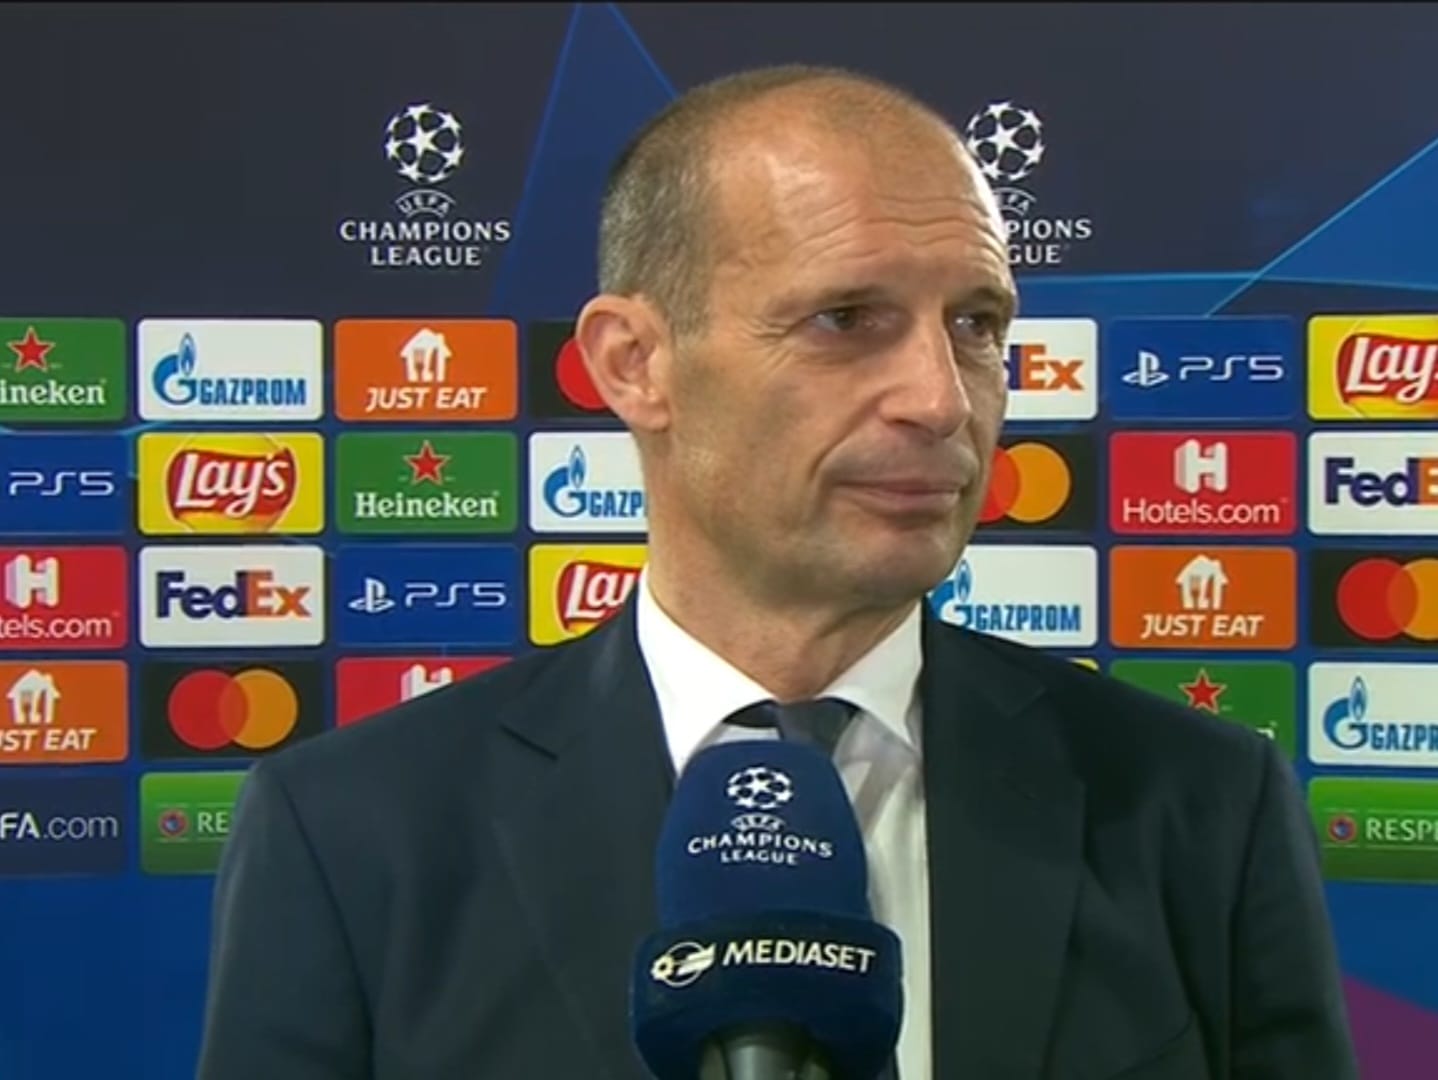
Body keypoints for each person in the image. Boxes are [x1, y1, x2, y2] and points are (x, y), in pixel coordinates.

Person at [197, 65, 1359, 1079]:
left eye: (974, 324)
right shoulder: (352, 829)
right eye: (846, 318)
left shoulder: (1203, 805)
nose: (940, 400)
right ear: (634, 364)